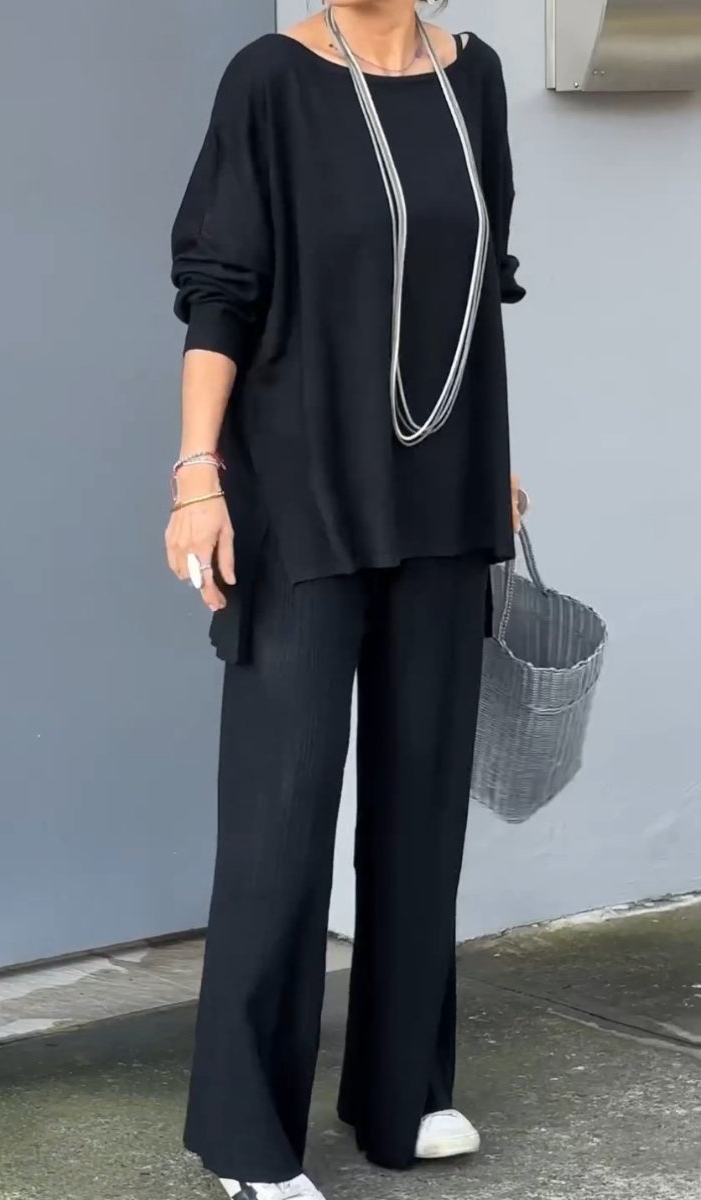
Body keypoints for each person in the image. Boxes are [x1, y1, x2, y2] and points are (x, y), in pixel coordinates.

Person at [166, 2, 525, 1197]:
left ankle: (401, 1092)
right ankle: (247, 1139)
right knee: (280, 823)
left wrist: (494, 456)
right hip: (301, 495)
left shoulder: (477, 82)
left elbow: (478, 285)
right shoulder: (270, 81)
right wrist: (197, 474)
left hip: (446, 495)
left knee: (424, 809)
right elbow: (220, 289)